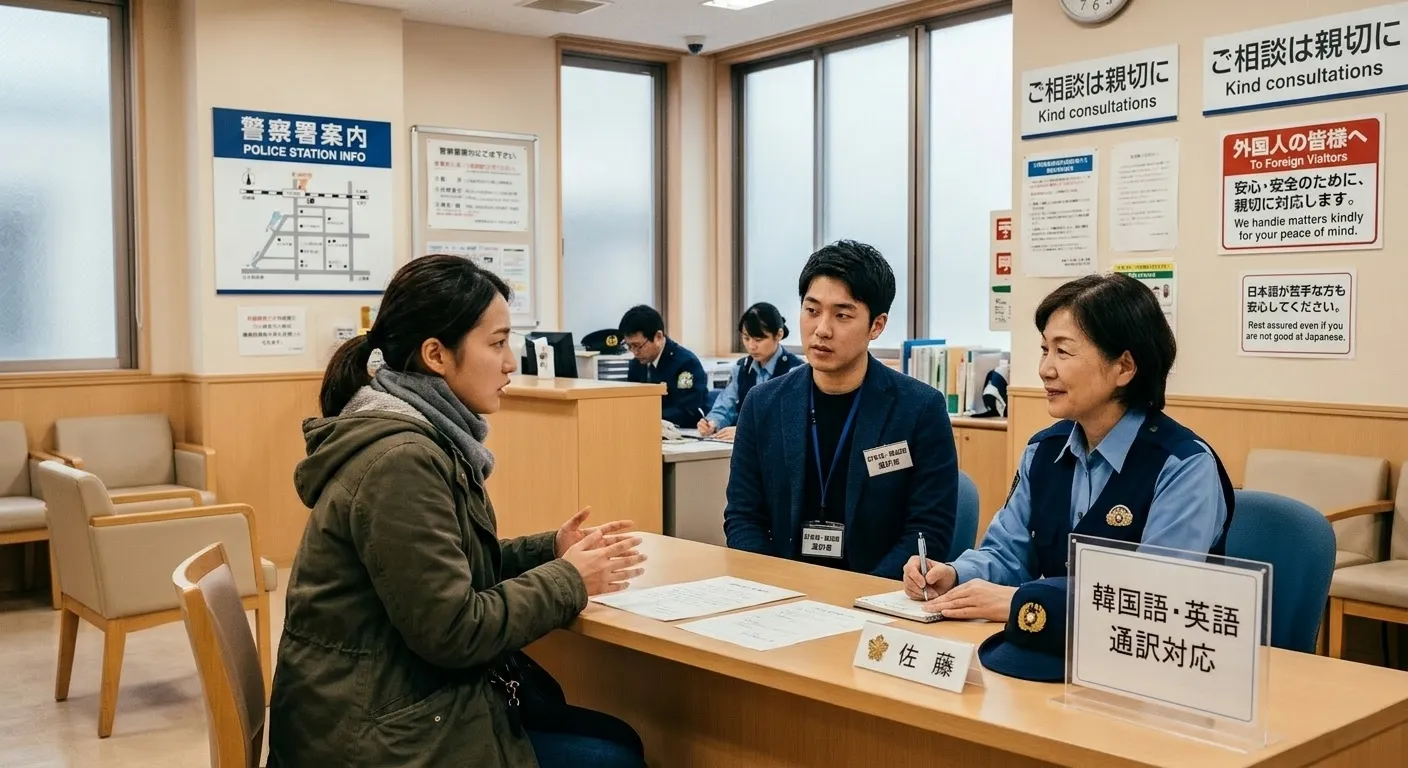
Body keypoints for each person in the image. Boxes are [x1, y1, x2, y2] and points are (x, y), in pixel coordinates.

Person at [268, 255, 648, 768]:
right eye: (496, 343)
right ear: (436, 355)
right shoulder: (401, 461)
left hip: (385, 703)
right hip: (375, 733)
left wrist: (551, 551)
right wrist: (568, 579)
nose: (511, 361)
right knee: (616, 754)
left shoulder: (417, 438)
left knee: (615, 737)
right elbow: (454, 630)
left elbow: (449, 571)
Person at [903, 272, 1235, 622]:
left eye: (1063, 351)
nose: (1045, 369)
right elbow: (1007, 556)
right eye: (1045, 349)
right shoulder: (1043, 451)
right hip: (1051, 644)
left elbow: (1152, 597)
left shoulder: (1184, 466)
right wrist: (954, 575)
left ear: (1124, 367)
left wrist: (1027, 600)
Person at [723, 240, 958, 580]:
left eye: (842, 315)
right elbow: (743, 517)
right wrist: (772, 584)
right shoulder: (763, 404)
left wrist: (860, 597)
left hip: (876, 598)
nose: (822, 329)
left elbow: (928, 530)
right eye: (812, 310)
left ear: (876, 326)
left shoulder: (919, 409)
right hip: (781, 595)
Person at [698, 302, 801, 441]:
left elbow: (793, 421)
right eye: (746, 338)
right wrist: (712, 423)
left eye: (758, 339)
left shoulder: (794, 371)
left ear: (778, 335)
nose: (751, 346)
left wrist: (746, 432)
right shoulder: (741, 369)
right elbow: (725, 407)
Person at [620, 304, 707, 429]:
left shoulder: (686, 363)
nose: (634, 352)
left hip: (684, 431)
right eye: (629, 346)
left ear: (658, 337)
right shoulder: (636, 364)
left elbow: (688, 409)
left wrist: (648, 418)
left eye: (638, 345)